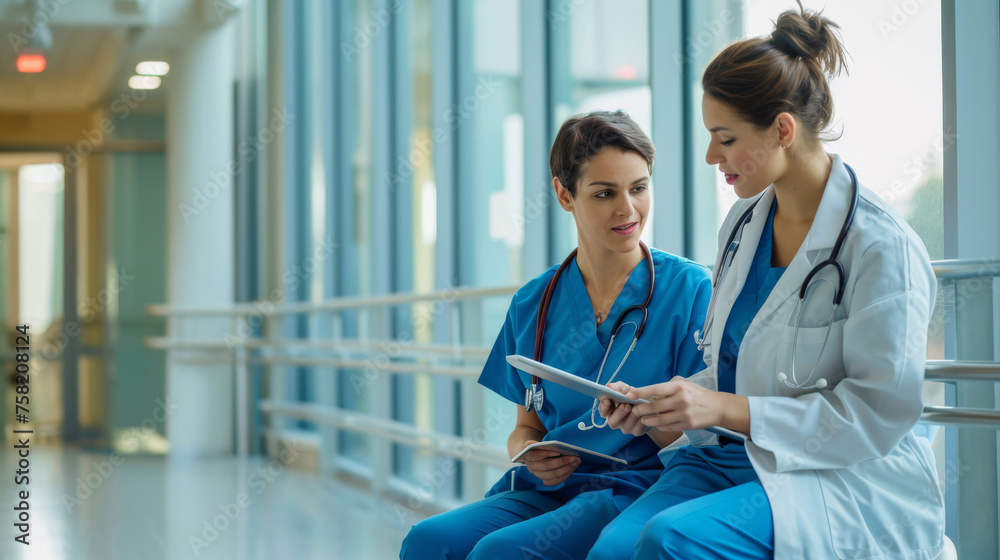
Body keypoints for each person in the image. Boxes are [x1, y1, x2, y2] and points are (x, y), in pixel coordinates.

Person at [588, 4, 945, 560]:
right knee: (611, 548)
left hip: (833, 479)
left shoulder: (881, 248)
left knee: (668, 541)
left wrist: (722, 410)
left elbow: (875, 416)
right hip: (731, 456)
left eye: (725, 139)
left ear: (782, 129)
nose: (712, 156)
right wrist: (664, 405)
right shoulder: (743, 224)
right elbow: (730, 362)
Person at [399, 111, 712, 559]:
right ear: (564, 194)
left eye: (639, 188)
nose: (628, 209)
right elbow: (526, 425)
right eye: (605, 193)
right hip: (551, 488)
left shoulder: (690, 291)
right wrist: (529, 452)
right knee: (428, 541)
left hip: (640, 487)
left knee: (502, 552)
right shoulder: (534, 302)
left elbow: (701, 443)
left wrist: (647, 418)